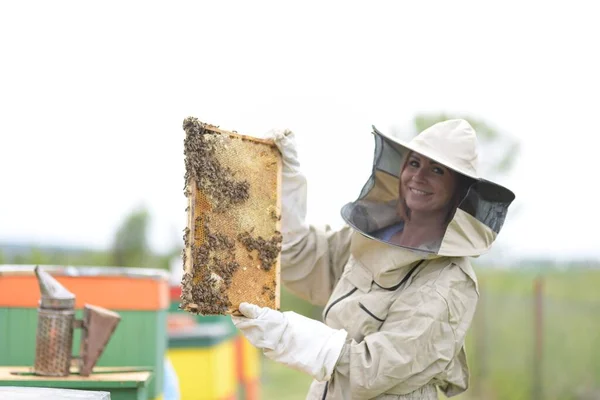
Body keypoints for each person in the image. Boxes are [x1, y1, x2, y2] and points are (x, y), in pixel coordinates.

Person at [232, 119, 515, 399]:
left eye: (437, 170)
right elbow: (303, 260)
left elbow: (371, 371)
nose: (419, 176)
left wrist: (288, 336)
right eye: (414, 163)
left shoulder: (449, 283)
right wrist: (287, 182)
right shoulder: (376, 237)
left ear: (459, 191)